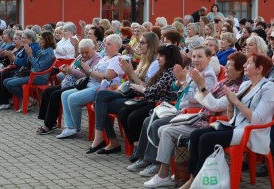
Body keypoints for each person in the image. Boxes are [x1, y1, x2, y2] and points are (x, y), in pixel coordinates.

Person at [143, 51, 246, 187]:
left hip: (208, 120)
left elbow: (209, 104)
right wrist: (182, 81)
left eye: (199, 56)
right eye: (194, 56)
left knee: (165, 130)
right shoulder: (221, 81)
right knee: (158, 125)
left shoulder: (229, 84)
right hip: (196, 114)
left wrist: (194, 85)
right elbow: (192, 95)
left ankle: (164, 173)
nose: (225, 68)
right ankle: (172, 171)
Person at [180, 54, 274, 189]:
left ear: (259, 69)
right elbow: (232, 116)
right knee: (196, 135)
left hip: (251, 131)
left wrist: (235, 101)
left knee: (206, 139)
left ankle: (197, 181)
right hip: (236, 125)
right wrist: (230, 103)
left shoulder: (269, 87)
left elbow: (256, 119)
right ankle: (192, 179)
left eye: (249, 63)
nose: (244, 66)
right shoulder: (246, 84)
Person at [87, 32, 160, 155]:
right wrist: (124, 79)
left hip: (142, 99)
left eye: (142, 43)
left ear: (151, 45)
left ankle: (108, 140)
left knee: (100, 103)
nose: (138, 45)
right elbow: (132, 82)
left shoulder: (155, 64)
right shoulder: (143, 60)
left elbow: (149, 89)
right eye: (139, 42)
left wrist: (131, 73)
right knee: (101, 96)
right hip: (132, 93)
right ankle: (103, 138)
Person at [117, 45, 184, 157]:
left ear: (170, 57)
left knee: (134, 117)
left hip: (162, 104)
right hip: (152, 100)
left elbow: (153, 91)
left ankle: (141, 150)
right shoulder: (163, 70)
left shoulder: (172, 72)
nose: (158, 58)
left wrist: (141, 88)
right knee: (123, 112)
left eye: (161, 56)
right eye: (158, 55)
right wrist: (137, 85)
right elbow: (150, 87)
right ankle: (136, 145)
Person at [56, 34, 125, 139]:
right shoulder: (105, 58)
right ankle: (70, 127)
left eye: (108, 44)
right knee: (64, 94)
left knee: (72, 98)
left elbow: (106, 78)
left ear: (116, 46)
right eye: (105, 43)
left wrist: (89, 70)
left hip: (101, 88)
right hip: (90, 84)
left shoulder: (117, 59)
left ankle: (75, 127)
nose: (104, 46)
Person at [36, 39, 101, 134]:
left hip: (84, 85)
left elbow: (90, 78)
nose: (84, 55)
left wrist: (72, 71)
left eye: (86, 52)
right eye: (82, 52)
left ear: (93, 48)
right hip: (72, 82)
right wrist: (65, 69)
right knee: (47, 91)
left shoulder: (97, 59)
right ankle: (50, 121)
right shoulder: (80, 56)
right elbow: (72, 67)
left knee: (55, 94)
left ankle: (48, 125)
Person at [3, 31, 56, 108]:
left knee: (9, 84)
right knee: (5, 81)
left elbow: (38, 68)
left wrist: (30, 55)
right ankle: (30, 100)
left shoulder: (48, 52)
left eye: (41, 39)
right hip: (32, 74)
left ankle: (27, 100)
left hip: (39, 77)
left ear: (47, 40)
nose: (38, 41)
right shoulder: (43, 50)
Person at [0, 31, 25, 109]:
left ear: (21, 41)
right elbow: (10, 62)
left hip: (18, 71)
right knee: (0, 74)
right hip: (10, 68)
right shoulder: (13, 48)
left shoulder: (23, 49)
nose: (13, 41)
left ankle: (3, 102)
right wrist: (7, 56)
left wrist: (11, 57)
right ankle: (2, 100)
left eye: (16, 39)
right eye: (13, 39)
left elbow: (21, 64)